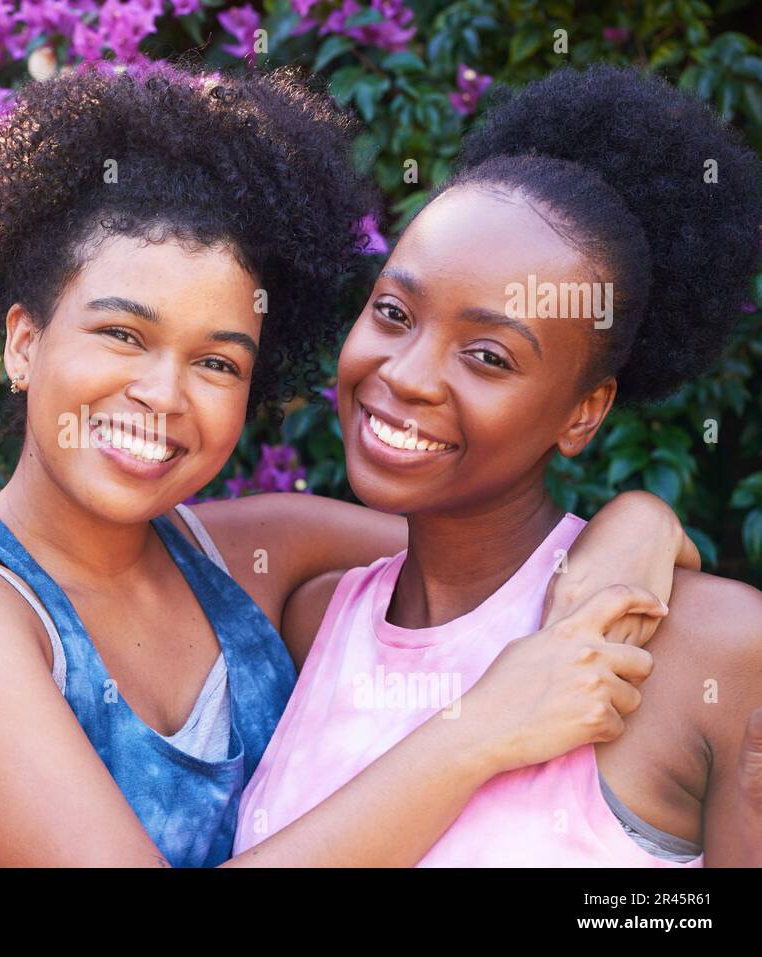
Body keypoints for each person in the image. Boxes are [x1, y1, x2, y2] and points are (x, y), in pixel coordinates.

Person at [0, 62, 698, 867]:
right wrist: (478, 732)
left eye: (216, 361)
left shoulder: (255, 558)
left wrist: (638, 524)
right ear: (24, 341)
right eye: (122, 333)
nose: (162, 394)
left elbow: (489, 550)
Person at [235, 65, 762, 866]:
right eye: (394, 312)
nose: (406, 373)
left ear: (584, 412)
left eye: (487, 355)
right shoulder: (313, 623)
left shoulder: (711, 649)